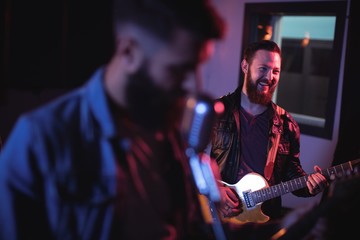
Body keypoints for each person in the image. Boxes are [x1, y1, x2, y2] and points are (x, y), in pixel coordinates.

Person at [0, 0, 229, 239]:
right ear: (128, 52)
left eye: (197, 69)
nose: (194, 87)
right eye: (178, 70)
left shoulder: (170, 131)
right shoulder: (41, 139)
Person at [209, 40, 329, 223]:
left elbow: (292, 174)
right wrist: (214, 189)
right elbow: (188, 159)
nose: (269, 77)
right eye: (263, 68)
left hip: (263, 219)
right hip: (218, 215)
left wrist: (310, 186)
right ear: (245, 66)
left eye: (275, 71)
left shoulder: (287, 124)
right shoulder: (218, 111)